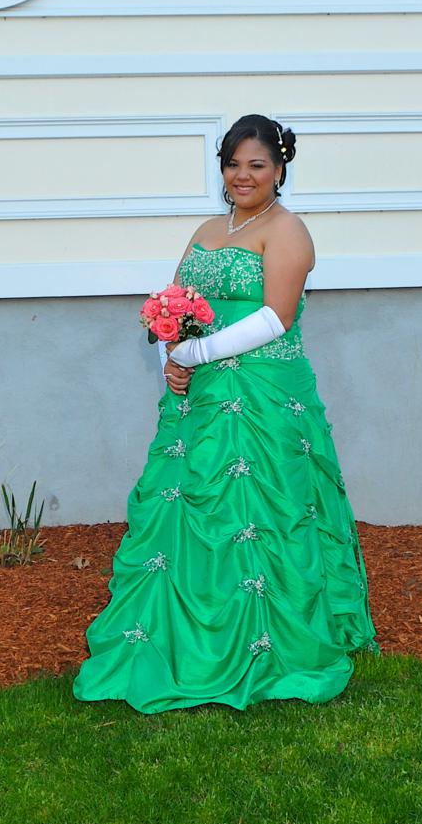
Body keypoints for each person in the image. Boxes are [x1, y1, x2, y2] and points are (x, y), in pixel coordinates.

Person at [71, 113, 380, 713]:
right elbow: (173, 305)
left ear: (279, 169)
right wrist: (170, 356)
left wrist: (197, 352)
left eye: (256, 165)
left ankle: (269, 641)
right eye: (233, 164)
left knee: (263, 511)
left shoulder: (288, 231)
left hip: (262, 395)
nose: (243, 175)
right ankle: (178, 634)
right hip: (201, 395)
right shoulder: (207, 229)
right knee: (188, 502)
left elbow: (275, 317)